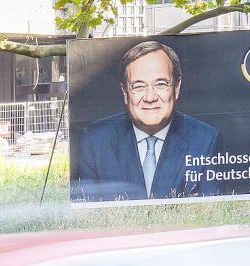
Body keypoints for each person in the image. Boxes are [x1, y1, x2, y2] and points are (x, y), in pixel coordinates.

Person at [74, 40, 222, 202]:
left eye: (160, 84)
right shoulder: (95, 140)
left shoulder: (206, 139)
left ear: (177, 87)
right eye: (138, 86)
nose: (150, 97)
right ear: (125, 92)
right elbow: (87, 211)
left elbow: (210, 211)